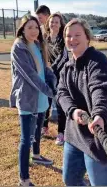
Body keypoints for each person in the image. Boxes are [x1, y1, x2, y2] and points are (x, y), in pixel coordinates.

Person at [56, 18, 107, 186]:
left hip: (99, 136)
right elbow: (61, 93)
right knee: (70, 180)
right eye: (68, 36)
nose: (72, 39)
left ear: (87, 37)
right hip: (74, 135)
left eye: (77, 35)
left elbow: (100, 89)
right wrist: (73, 111)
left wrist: (99, 114)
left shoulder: (98, 61)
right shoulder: (67, 67)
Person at [10, 15, 57, 186]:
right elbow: (30, 75)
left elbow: (44, 68)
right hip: (28, 97)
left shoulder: (37, 44)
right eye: (29, 27)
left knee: (38, 129)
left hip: (41, 96)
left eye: (36, 27)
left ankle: (36, 156)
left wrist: (53, 81)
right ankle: (23, 179)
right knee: (26, 139)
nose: (34, 30)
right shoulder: (18, 47)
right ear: (22, 29)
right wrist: (49, 90)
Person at [42, 13, 69, 146]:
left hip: (60, 75)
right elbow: (41, 54)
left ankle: (61, 133)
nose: (53, 24)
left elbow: (64, 57)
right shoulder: (44, 38)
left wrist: (52, 68)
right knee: (45, 102)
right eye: (51, 22)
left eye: (56, 22)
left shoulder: (63, 39)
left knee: (60, 105)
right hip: (47, 74)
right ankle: (44, 127)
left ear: (60, 24)